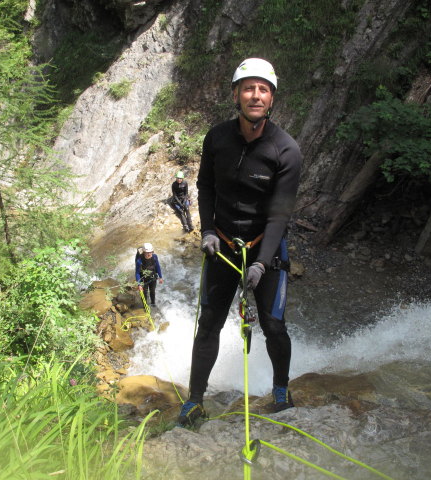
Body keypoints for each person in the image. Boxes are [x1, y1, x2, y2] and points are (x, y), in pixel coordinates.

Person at [178, 58, 302, 427]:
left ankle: (281, 390)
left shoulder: (285, 150)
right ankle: (195, 400)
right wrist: (208, 231)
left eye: (263, 89)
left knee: (274, 325)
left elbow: (280, 215)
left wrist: (262, 263)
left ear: (272, 99)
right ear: (236, 94)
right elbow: (204, 187)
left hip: (265, 247)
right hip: (223, 246)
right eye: (248, 88)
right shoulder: (217, 138)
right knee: (209, 324)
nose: (256, 95)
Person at [135, 242, 163, 307]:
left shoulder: (154, 257)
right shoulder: (139, 261)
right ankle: (145, 306)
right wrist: (139, 284)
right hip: (143, 279)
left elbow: (158, 267)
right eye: (147, 252)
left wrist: (160, 277)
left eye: (151, 252)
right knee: (144, 293)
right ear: (144, 252)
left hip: (152, 277)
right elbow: (137, 273)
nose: (149, 254)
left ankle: (153, 303)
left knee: (152, 291)